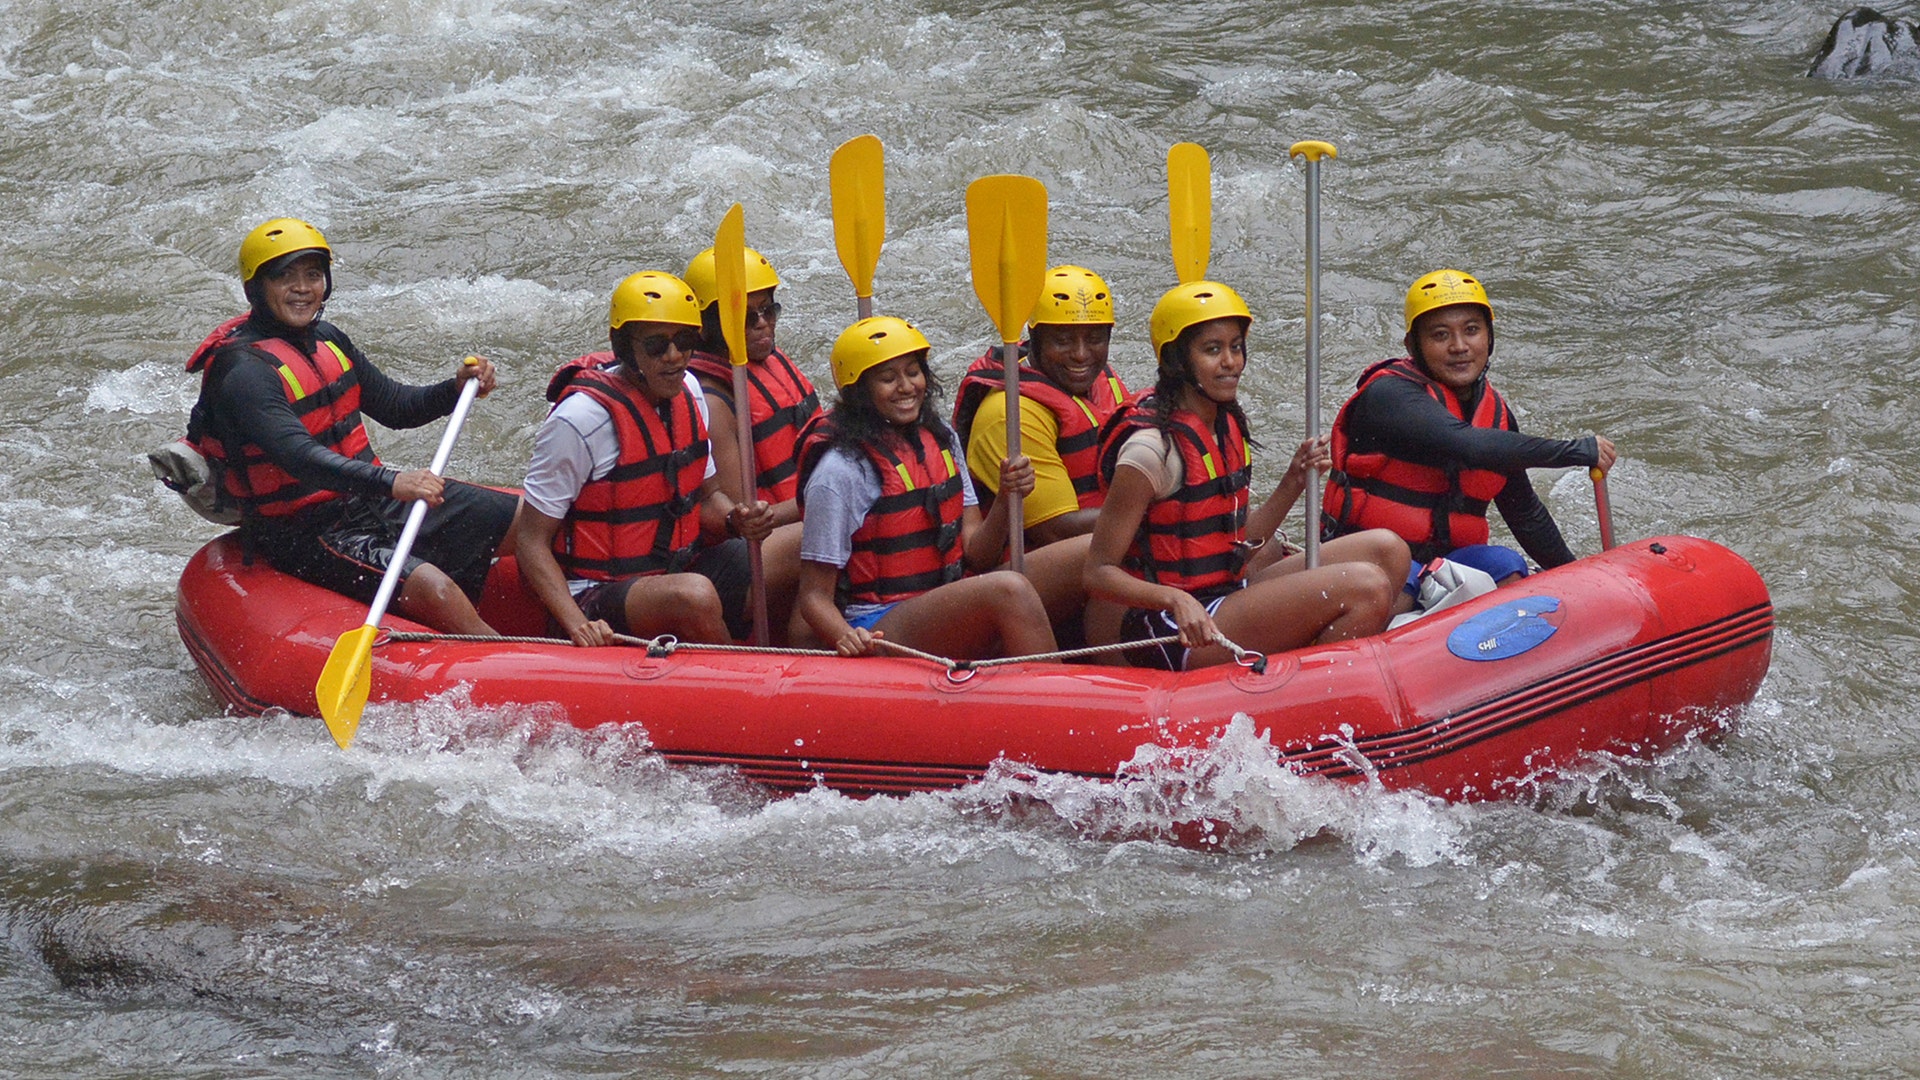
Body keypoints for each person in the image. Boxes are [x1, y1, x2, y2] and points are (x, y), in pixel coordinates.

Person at [184, 217, 519, 635]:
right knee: (435, 590)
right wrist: (392, 481)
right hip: (303, 533)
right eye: (285, 276)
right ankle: (516, 658)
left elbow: (397, 407)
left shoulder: (328, 339)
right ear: (257, 288)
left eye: (312, 274)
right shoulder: (244, 372)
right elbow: (300, 458)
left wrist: (454, 389)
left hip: (367, 503)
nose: (303, 287)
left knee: (528, 518)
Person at [1084, 281, 1407, 671]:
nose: (1231, 362)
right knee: (1367, 588)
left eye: (1235, 347)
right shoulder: (1150, 452)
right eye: (1212, 349)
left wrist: (1293, 479)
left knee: (1389, 549)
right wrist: (1173, 599)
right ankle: (1312, 689)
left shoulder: (1225, 425)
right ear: (1176, 361)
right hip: (1172, 627)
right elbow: (1098, 573)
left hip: (1226, 592)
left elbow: (1238, 544)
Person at [515, 271, 776, 647]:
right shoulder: (580, 420)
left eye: (684, 342)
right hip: (595, 593)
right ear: (625, 348)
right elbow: (531, 541)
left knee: (798, 544)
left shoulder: (689, 391)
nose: (674, 357)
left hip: (674, 565)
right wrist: (577, 624)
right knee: (694, 595)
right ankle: (744, 679)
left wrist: (736, 521)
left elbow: (706, 497)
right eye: (656, 346)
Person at [1321, 269, 1618, 599]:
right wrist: (1572, 451)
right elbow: (1466, 445)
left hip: (1441, 562)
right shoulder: (1389, 396)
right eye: (1440, 335)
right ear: (1413, 345)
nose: (1459, 346)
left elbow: (1525, 514)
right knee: (1400, 584)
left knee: (1506, 566)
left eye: (1472, 330)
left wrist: (1577, 576)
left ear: (1489, 338)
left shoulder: (1497, 416)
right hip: (1370, 562)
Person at [795, 316, 1058, 661]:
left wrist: (1007, 498)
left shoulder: (940, 438)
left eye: (913, 372)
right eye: (888, 378)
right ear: (859, 391)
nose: (906, 387)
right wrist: (846, 637)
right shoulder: (840, 471)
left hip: (943, 598)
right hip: (880, 624)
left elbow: (978, 554)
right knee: (1010, 589)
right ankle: (1058, 699)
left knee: (1084, 553)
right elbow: (814, 596)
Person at [953, 265, 1130, 549]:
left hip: (1103, 542)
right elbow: (1056, 533)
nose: (1081, 355)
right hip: (1034, 567)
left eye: (1095, 339)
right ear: (1034, 339)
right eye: (1062, 340)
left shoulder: (1102, 379)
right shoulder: (1009, 414)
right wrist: (1155, 511)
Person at [680, 245, 820, 527]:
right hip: (761, 544)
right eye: (746, 316)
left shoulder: (769, 361)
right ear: (706, 325)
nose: (763, 324)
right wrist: (829, 494)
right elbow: (744, 517)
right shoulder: (713, 402)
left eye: (768, 311)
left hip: (804, 509)